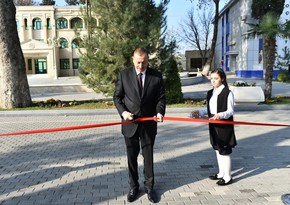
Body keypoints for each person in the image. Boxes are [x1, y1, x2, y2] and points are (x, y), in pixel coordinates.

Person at [113, 48, 166, 203]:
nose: (141, 66)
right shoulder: (124, 75)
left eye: (144, 62)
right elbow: (117, 98)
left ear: (148, 60)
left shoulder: (156, 76)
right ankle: (133, 187)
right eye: (138, 62)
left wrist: (160, 112)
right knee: (131, 158)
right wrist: (123, 113)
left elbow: (161, 98)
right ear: (133, 59)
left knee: (148, 157)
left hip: (149, 124)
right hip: (130, 124)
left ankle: (150, 188)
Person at [191, 68, 237, 186]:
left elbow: (230, 111)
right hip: (213, 124)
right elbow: (209, 110)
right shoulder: (210, 93)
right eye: (211, 79)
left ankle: (228, 177)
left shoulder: (228, 93)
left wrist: (220, 115)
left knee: (224, 151)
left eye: (216, 79)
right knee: (217, 148)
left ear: (222, 79)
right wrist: (199, 112)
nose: (213, 81)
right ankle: (221, 173)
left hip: (224, 126)